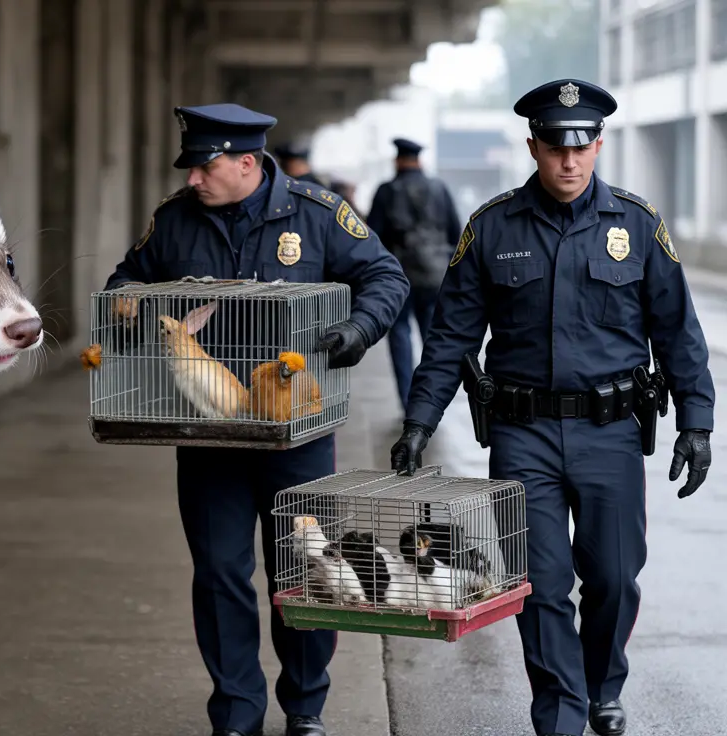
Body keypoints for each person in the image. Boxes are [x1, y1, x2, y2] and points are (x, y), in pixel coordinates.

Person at [389, 79, 713, 736]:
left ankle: (602, 684)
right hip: (522, 432)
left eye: (582, 147)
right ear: (533, 146)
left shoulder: (637, 225)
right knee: (538, 583)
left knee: (615, 577)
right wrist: (420, 420)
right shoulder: (491, 227)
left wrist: (697, 423)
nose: (570, 161)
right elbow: (452, 335)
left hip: (610, 433)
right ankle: (560, 715)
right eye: (556, 148)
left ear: (598, 146)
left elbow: (677, 332)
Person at [103, 103, 409, 736]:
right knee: (219, 574)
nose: (193, 179)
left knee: (302, 567)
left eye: (205, 166)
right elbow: (126, 282)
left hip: (295, 431)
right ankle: (237, 712)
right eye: (189, 168)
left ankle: (305, 707)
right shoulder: (173, 221)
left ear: (247, 163)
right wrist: (125, 314)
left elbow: (385, 275)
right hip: (209, 432)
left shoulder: (319, 214)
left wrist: (357, 329)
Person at [366, 137, 463, 409]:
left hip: (398, 278)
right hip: (434, 276)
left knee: (399, 336)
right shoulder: (439, 188)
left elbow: (373, 238)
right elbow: (456, 232)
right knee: (434, 340)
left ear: (398, 160)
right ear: (419, 160)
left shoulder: (386, 191)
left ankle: (408, 403)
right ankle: (430, 402)